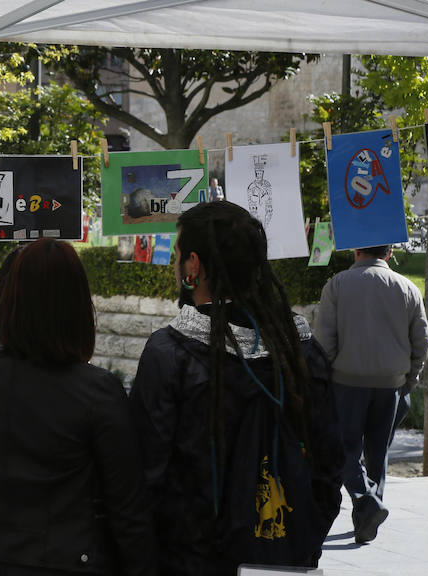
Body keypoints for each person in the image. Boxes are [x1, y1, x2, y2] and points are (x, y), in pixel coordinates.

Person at [0, 238, 148, 576]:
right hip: (66, 561)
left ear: (6, 302)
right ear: (78, 305)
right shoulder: (98, 390)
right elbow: (127, 506)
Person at [129, 201, 344, 575]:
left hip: (192, 563)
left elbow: (145, 476)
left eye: (178, 255)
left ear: (194, 265)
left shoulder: (170, 355)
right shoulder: (303, 352)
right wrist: (303, 540)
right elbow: (330, 465)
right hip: (285, 559)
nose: (175, 265)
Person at [314, 244, 428, 544]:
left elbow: (324, 342)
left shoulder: (337, 285)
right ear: (389, 254)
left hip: (346, 381)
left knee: (344, 450)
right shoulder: (408, 288)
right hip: (391, 384)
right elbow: (422, 341)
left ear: (355, 251)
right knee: (378, 452)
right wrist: (409, 380)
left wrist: (323, 381)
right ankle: (367, 517)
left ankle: (367, 504)